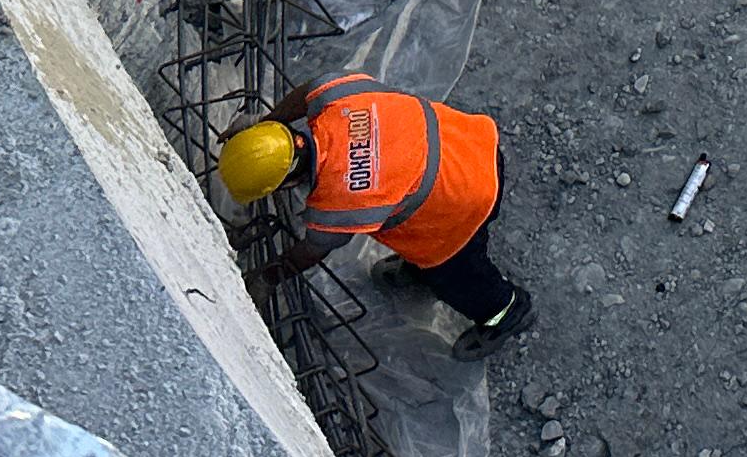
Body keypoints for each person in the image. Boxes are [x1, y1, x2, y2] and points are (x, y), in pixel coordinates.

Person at [219, 70, 535, 357]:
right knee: (412, 205)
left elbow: (309, 252)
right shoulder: (337, 97)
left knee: (455, 275)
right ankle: (420, 269)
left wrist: (267, 278)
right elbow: (304, 94)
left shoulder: (339, 201)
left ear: (287, 182)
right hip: (471, 142)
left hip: (469, 198)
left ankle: (506, 311)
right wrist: (264, 126)